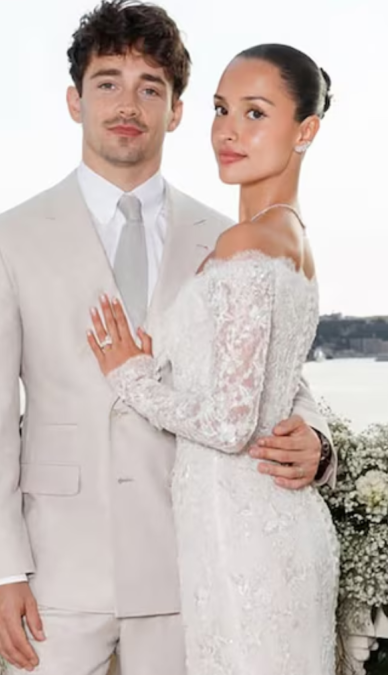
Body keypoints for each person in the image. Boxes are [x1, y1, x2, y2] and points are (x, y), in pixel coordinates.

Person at [0, 2, 337, 673]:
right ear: (75, 101)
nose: (127, 105)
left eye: (150, 88)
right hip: (56, 573)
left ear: (177, 110)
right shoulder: (6, 239)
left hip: (194, 566)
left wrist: (319, 442)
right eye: (107, 83)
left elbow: (282, 372)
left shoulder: (229, 235)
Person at [87, 40, 339, 675]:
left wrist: (131, 375)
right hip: (253, 523)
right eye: (222, 109)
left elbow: (231, 425)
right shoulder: (291, 239)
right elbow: (272, 380)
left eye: (255, 113)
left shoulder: (248, 242)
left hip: (241, 535)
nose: (228, 131)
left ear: (305, 130)